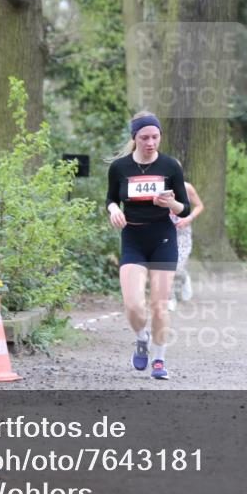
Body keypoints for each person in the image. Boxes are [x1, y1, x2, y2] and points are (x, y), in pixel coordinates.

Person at [107, 111, 190, 380]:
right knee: (133, 305)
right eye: (144, 137)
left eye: (155, 137)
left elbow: (184, 207)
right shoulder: (120, 167)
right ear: (135, 138)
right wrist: (113, 211)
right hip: (133, 239)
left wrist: (171, 204)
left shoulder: (170, 166)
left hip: (163, 239)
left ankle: (159, 359)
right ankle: (141, 338)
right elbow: (109, 199)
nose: (150, 143)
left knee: (159, 305)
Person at [168, 181, 204, 312]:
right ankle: (170, 298)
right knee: (167, 266)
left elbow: (200, 206)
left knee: (178, 267)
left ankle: (184, 277)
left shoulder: (187, 187)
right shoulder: (160, 187)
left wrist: (189, 218)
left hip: (182, 232)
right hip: (165, 231)